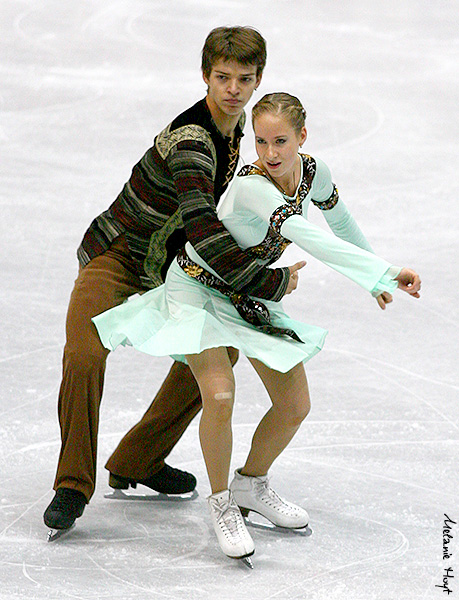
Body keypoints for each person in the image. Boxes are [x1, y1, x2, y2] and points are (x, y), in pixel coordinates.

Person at [92, 92, 421, 563]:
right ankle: (222, 501)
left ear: (301, 138)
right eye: (261, 142)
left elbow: (340, 221)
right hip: (198, 288)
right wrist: (383, 272)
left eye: (281, 142)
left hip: (247, 293)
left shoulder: (314, 173)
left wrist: (375, 279)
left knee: (294, 404)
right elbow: (311, 239)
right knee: (220, 395)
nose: (270, 154)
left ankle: (251, 483)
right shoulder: (253, 188)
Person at [43, 28, 304, 534]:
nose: (232, 88)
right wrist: (267, 282)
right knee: (85, 350)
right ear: (205, 75)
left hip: (170, 267)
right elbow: (205, 228)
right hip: (118, 252)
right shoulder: (192, 140)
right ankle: (71, 484)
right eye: (222, 77)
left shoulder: (241, 138)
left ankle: (137, 459)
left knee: (218, 352)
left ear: (257, 81)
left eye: (244, 79)